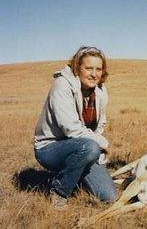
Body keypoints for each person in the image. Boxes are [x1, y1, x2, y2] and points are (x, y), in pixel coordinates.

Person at [34, 46, 117, 209]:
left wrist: (97, 149)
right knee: (90, 147)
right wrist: (102, 143)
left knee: (109, 196)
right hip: (50, 148)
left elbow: (100, 125)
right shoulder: (62, 85)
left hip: (82, 147)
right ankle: (59, 191)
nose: (94, 74)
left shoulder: (100, 90)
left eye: (99, 69)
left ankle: (75, 172)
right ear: (77, 68)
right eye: (89, 68)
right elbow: (71, 128)